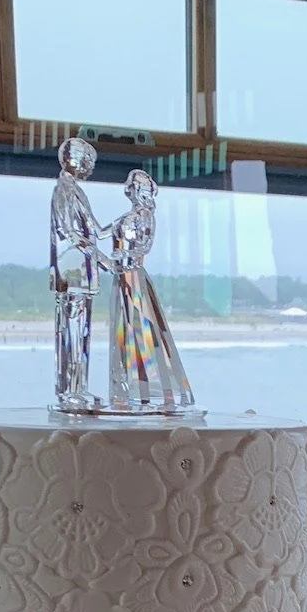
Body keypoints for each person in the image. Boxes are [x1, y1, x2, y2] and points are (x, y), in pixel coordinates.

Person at [104, 168, 195, 415]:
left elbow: (145, 245)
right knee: (123, 332)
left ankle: (154, 393)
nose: (132, 190)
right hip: (121, 276)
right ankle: (126, 391)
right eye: (131, 186)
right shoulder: (127, 216)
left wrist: (120, 256)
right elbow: (100, 233)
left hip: (133, 276)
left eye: (136, 186)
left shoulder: (145, 216)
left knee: (142, 330)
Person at [49, 135, 106, 414]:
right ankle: (68, 392)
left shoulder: (76, 191)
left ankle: (78, 388)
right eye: (89, 162)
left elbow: (95, 230)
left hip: (83, 274)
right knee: (70, 334)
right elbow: (71, 233)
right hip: (71, 274)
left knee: (82, 334)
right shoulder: (63, 190)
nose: (91, 169)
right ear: (75, 161)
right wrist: (103, 258)